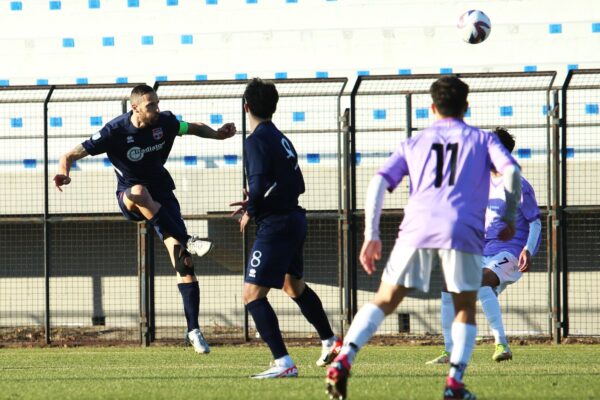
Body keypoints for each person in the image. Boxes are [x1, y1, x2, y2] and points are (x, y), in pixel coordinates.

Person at [325, 76, 522, 400]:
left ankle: (345, 359)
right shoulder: (483, 140)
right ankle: (454, 384)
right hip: (463, 230)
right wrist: (510, 218)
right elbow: (511, 172)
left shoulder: (414, 142)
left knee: (385, 299)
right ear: (466, 106)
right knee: (464, 307)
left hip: (417, 228)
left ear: (432, 107)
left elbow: (377, 183)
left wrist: (371, 234)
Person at [53, 84, 236, 355]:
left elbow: (192, 127)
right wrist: (63, 173)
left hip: (162, 194)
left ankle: (194, 330)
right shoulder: (114, 131)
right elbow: (69, 154)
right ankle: (187, 237)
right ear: (135, 107)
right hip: (130, 196)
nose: (157, 109)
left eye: (157, 103)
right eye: (151, 105)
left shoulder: (164, 122)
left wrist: (218, 136)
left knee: (184, 262)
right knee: (139, 191)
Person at [230, 77, 341, 379]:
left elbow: (258, 184)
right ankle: (330, 340)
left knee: (252, 295)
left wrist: (250, 209)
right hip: (294, 219)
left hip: (276, 225)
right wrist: (256, 200)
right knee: (293, 286)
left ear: (246, 107)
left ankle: (284, 362)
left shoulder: (255, 141)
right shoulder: (281, 138)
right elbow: (297, 183)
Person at [426, 127, 541, 365]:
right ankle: (450, 351)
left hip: (510, 252)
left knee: (480, 280)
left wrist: (528, 250)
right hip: (482, 251)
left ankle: (501, 344)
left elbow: (536, 222)